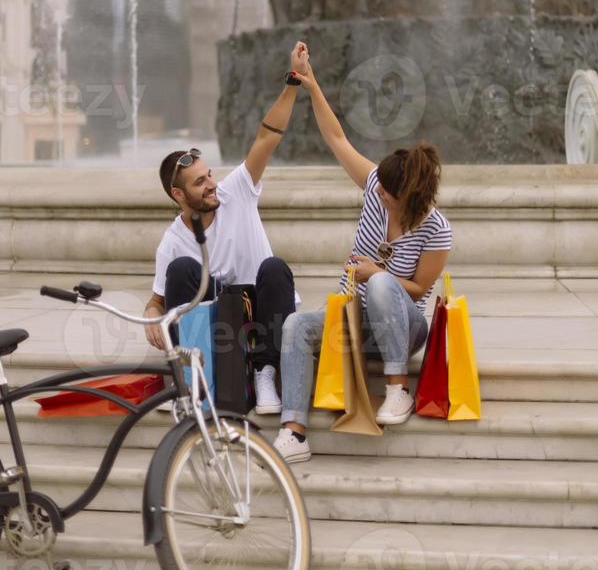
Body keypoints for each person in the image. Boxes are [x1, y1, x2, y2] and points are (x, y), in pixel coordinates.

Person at [274, 49, 452, 463]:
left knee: (386, 282)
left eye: (389, 195)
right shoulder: (375, 186)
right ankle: (294, 432)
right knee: (297, 325)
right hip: (354, 323)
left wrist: (375, 272)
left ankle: (396, 388)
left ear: (410, 195)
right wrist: (310, 82)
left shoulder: (436, 229)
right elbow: (337, 138)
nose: (379, 195)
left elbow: (420, 290)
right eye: (380, 190)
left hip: (403, 330)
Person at [143, 42, 309, 414]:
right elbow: (157, 300)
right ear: (178, 194)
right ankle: (199, 379)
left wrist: (293, 81)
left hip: (261, 310)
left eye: (209, 175)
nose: (211, 184)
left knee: (275, 268)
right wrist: (151, 313)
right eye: (199, 182)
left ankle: (265, 374)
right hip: (217, 319)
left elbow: (268, 137)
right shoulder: (172, 242)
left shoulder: (236, 191)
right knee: (182, 270)